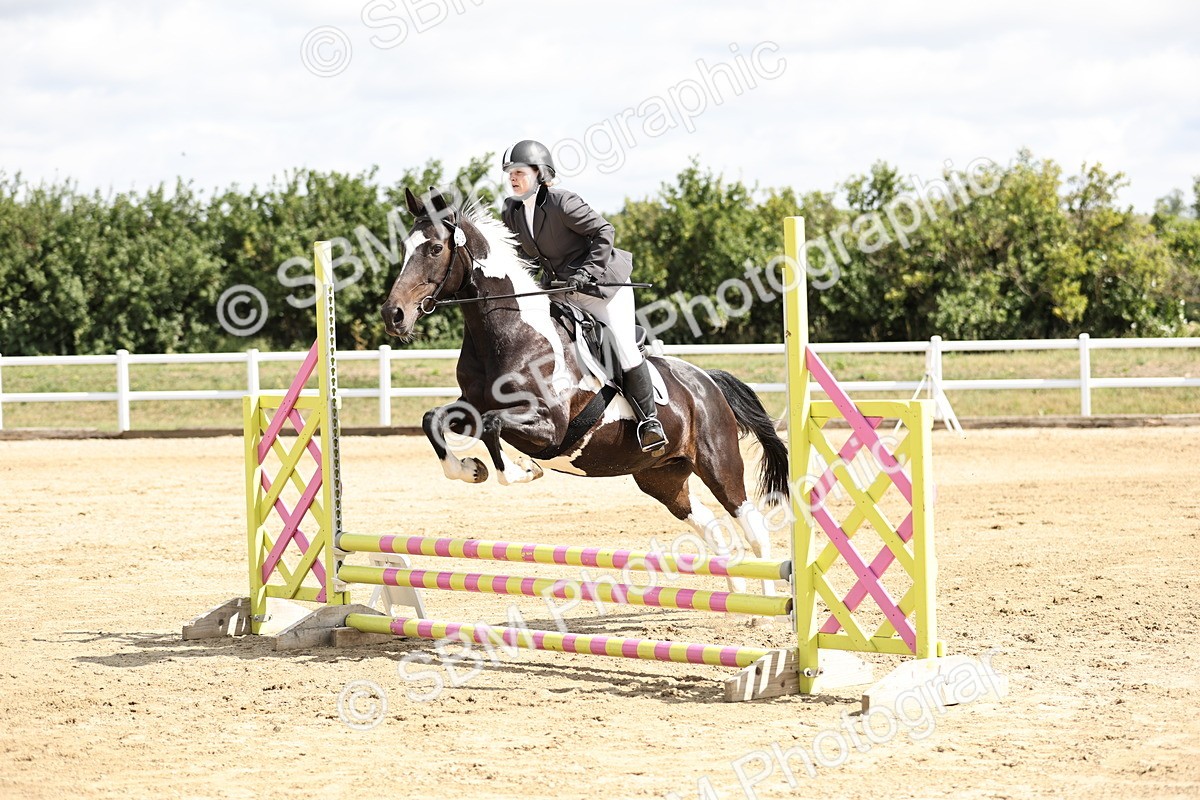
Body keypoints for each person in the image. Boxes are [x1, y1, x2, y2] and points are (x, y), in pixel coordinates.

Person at [500, 139, 667, 454]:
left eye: (519, 171)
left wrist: (586, 273)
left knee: (624, 348)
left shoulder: (562, 202)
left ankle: (650, 422)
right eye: (510, 172)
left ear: (540, 173)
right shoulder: (513, 210)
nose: (512, 177)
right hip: (561, 289)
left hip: (602, 285)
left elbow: (604, 232)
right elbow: (522, 256)